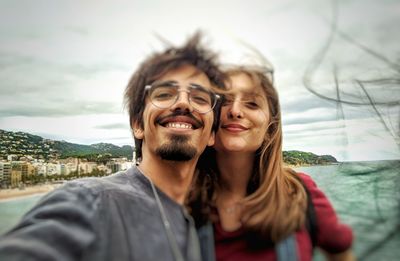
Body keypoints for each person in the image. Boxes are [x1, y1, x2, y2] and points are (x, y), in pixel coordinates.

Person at [0, 33, 225, 261]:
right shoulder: (90, 201)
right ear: (138, 125)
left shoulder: (197, 224)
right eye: (165, 94)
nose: (183, 103)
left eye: (199, 98)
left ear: (212, 135)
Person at [189, 65, 354, 261]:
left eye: (252, 104)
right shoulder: (185, 200)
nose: (235, 111)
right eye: (224, 101)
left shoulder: (300, 192)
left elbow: (341, 254)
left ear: (270, 128)